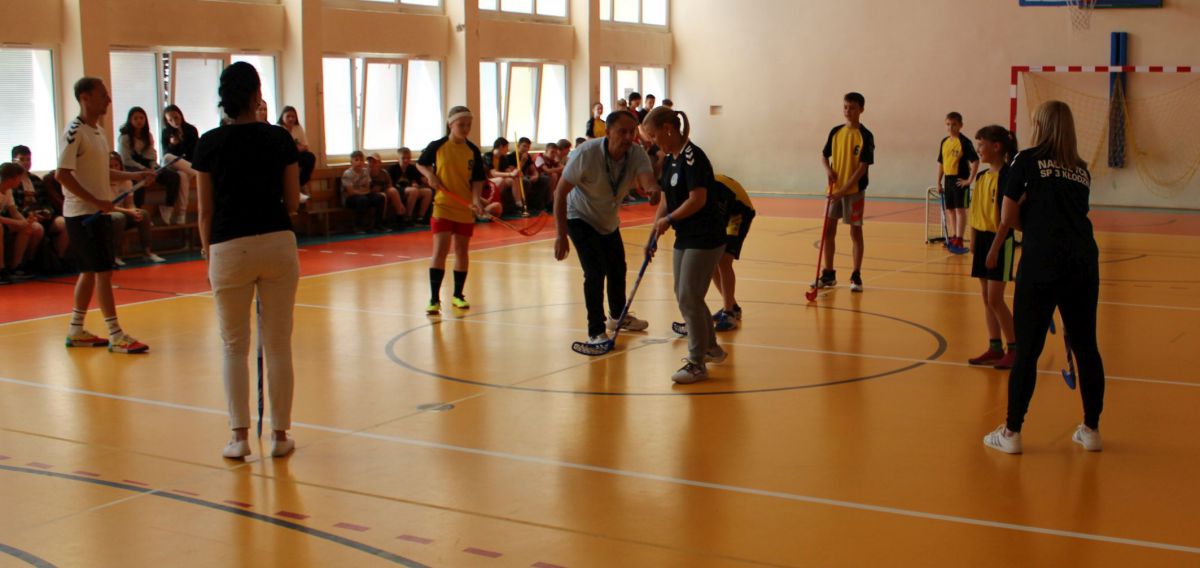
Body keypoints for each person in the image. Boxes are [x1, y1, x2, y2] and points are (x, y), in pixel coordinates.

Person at [982, 101, 1107, 455]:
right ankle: (1092, 429)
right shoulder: (1081, 169)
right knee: (1086, 346)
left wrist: (1034, 224)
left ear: (1041, 125)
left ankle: (1012, 432)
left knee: (1028, 350)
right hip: (1083, 261)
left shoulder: (1025, 160)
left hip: (1041, 262)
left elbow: (1008, 216)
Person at [194, 61, 302, 460]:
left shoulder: (208, 143)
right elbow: (292, 202)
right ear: (257, 95)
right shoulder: (279, 138)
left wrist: (208, 252)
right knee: (278, 344)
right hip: (276, 241)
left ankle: (239, 437)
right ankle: (280, 436)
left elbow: (204, 211)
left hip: (227, 246)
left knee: (233, 346)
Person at [58, 77, 155, 353]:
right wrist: (95, 201)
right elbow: (62, 175)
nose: (109, 100)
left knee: (90, 272)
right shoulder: (74, 131)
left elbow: (103, 171)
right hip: (82, 215)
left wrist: (136, 175)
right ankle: (115, 334)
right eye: (103, 95)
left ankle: (76, 330)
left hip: (96, 212)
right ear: (85, 97)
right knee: (103, 272)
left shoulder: (98, 132)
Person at [554, 111, 659, 347]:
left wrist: (652, 189)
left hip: (607, 218)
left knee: (617, 268)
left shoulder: (636, 153)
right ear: (608, 132)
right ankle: (596, 330)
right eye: (622, 132)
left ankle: (618, 316)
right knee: (594, 271)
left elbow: (647, 179)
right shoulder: (586, 153)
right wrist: (560, 235)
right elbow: (560, 192)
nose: (628, 137)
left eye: (632, 132)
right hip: (579, 215)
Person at [642, 106, 728, 384]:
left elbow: (697, 199)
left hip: (705, 236)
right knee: (686, 296)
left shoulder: (693, 157)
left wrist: (669, 220)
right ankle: (711, 347)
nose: (652, 142)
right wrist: (653, 234)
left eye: (653, 135)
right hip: (686, 236)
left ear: (668, 129)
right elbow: (667, 199)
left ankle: (696, 363)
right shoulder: (670, 160)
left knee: (689, 296)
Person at [416, 106, 487, 314]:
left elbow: (477, 179)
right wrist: (430, 175)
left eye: (468, 125)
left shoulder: (472, 150)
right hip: (443, 205)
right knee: (440, 250)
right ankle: (434, 299)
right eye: (461, 125)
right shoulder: (438, 146)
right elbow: (421, 164)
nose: (465, 129)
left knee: (462, 251)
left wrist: (476, 200)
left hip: (464, 208)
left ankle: (458, 295)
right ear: (450, 124)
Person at [966, 126, 1018, 370]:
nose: (978, 149)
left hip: (1000, 240)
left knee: (996, 299)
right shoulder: (981, 177)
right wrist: (973, 240)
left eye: (981, 144)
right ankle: (995, 347)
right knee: (987, 298)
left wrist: (995, 248)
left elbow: (1007, 219)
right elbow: (975, 210)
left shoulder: (1009, 176)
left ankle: (1015, 348)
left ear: (996, 146)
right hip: (983, 239)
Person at [817, 92, 875, 293]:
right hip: (834, 190)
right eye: (845, 107)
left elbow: (862, 168)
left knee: (855, 232)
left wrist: (844, 190)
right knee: (828, 231)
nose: (848, 111)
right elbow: (824, 156)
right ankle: (828, 274)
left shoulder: (865, 136)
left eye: (852, 108)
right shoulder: (836, 132)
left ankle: (856, 275)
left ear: (861, 110)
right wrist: (828, 170)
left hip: (853, 191)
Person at [117, 106, 185, 225]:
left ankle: (168, 207)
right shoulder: (124, 137)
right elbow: (126, 160)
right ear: (130, 120)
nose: (139, 121)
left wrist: (153, 167)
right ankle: (138, 215)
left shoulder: (148, 135)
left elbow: (152, 155)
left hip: (148, 167)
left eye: (141, 118)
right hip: (132, 167)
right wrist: (143, 169)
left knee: (174, 177)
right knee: (139, 181)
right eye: (135, 118)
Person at [711, 174, 755, 332]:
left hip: (739, 211)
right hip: (727, 208)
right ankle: (733, 307)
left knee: (724, 259)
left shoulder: (713, 189)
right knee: (711, 261)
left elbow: (718, 220)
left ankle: (729, 314)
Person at [11, 146, 69, 263]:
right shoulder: (12, 181)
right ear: (13, 161)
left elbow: (46, 201)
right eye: (22, 159)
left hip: (42, 215)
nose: (26, 163)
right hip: (25, 217)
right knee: (37, 229)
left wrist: (46, 213)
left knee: (64, 223)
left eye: (28, 159)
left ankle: (59, 259)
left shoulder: (35, 180)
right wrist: (31, 215)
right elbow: (14, 207)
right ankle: (30, 261)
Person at [108, 153, 165, 265]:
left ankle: (147, 252)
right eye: (110, 166)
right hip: (108, 214)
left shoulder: (126, 182)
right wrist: (128, 211)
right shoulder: (102, 183)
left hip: (124, 212)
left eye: (116, 165)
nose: (114, 168)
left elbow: (129, 203)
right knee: (119, 218)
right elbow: (108, 207)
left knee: (143, 214)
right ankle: (113, 256)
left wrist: (134, 211)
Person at [938, 112, 980, 255]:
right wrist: (939, 182)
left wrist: (969, 180)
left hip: (960, 180)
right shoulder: (944, 142)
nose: (950, 127)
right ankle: (954, 237)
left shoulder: (964, 142)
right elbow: (941, 163)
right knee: (950, 210)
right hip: (948, 180)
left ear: (960, 125)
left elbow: (975, 161)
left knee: (960, 210)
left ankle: (960, 239)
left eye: (954, 124)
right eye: (948, 124)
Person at [0, 162, 42, 283]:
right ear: (12, 179)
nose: (20, 181)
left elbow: (13, 210)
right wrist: (17, 223)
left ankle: (16, 266)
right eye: (19, 178)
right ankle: (1, 269)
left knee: (29, 228)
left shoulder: (7, 190)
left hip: (4, 220)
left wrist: (25, 222)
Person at [341, 150, 384, 233]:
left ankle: (378, 224)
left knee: (380, 198)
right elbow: (351, 192)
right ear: (351, 162)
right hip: (349, 198)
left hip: (364, 194)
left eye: (361, 160)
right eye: (356, 160)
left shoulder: (365, 171)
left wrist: (362, 191)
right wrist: (362, 191)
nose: (359, 162)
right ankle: (358, 226)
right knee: (363, 199)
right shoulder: (347, 173)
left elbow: (368, 187)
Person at [387, 147, 432, 225]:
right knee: (413, 191)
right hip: (398, 190)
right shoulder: (393, 169)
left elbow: (419, 181)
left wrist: (417, 184)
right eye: (403, 158)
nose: (406, 160)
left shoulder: (412, 168)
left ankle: (420, 217)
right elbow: (390, 185)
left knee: (428, 191)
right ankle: (407, 217)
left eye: (408, 158)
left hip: (411, 190)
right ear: (398, 159)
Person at [277, 106, 317, 187]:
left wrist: (296, 148)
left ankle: (299, 183)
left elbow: (305, 146)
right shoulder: (278, 128)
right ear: (282, 117)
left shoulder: (298, 128)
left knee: (310, 157)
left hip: (296, 154)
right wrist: (296, 147)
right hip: (282, 156)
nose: (291, 119)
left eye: (293, 117)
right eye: (288, 116)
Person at [367, 153, 406, 228]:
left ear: (379, 163)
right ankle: (382, 221)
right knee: (382, 196)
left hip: (383, 192)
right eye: (370, 162)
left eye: (374, 162)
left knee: (392, 191)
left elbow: (389, 185)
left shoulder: (384, 173)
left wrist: (381, 188)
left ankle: (400, 216)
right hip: (370, 194)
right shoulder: (366, 173)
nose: (371, 164)